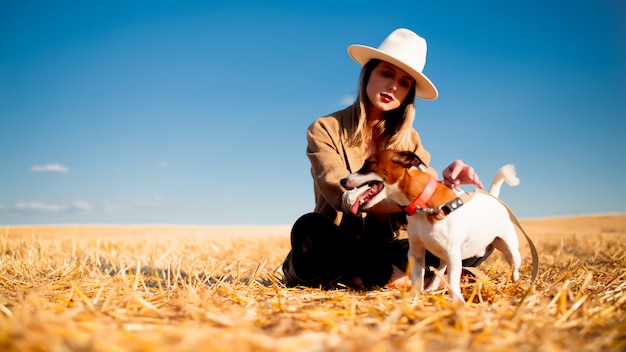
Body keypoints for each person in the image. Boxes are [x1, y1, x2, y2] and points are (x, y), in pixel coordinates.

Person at [282, 28, 493, 290]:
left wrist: (447, 187)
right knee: (309, 226)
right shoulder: (325, 128)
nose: (393, 86)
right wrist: (416, 194)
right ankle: (406, 279)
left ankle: (368, 275)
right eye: (386, 73)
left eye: (404, 82)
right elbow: (342, 193)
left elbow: (428, 195)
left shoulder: (411, 142)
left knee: (479, 240)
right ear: (367, 74)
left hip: (390, 248)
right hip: (340, 243)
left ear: (408, 95)